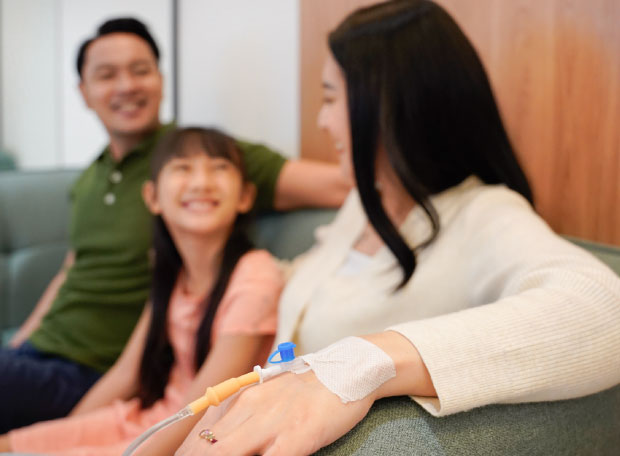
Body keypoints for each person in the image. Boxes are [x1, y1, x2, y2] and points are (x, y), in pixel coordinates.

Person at [172, 1, 620, 454]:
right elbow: (321, 280)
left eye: (330, 98)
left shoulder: (484, 215)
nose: (322, 121)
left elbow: (603, 308)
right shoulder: (365, 203)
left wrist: (358, 366)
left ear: (388, 106)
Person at [0, 18, 350, 433]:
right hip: (39, 355)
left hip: (95, 369)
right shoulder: (90, 179)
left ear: (161, 79)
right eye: (107, 75)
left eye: (140, 70)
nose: (127, 85)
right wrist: (20, 343)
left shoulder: (199, 155)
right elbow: (72, 268)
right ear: (84, 92)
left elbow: (343, 183)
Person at [0, 127, 285, 455]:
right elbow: (126, 373)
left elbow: (207, 403)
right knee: (12, 445)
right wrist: (64, 435)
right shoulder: (174, 276)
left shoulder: (255, 275)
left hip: (196, 432)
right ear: (152, 197)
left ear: (246, 196)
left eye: (219, 168)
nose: (201, 182)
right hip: (149, 418)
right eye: (183, 168)